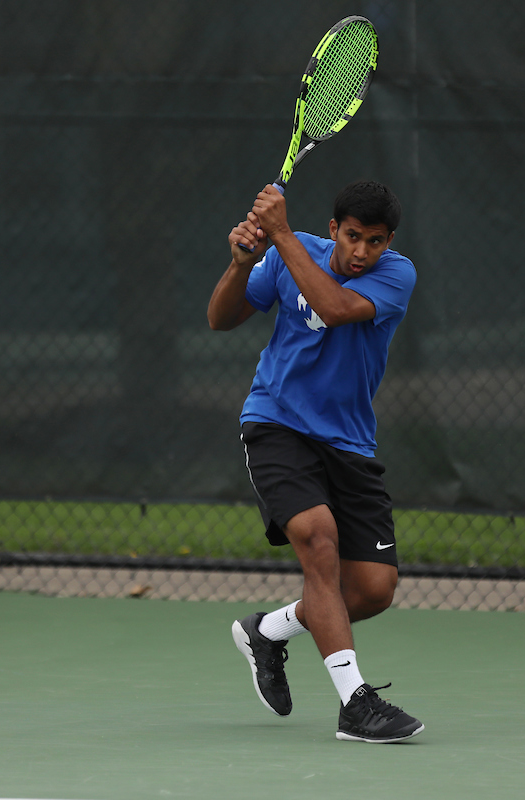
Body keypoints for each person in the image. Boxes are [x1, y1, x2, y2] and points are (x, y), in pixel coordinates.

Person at [207, 180, 423, 743]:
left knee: (373, 590)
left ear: (388, 242)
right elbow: (220, 318)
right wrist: (240, 263)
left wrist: (278, 234)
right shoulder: (285, 254)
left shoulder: (397, 276)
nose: (361, 252)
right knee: (317, 539)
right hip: (277, 424)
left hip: (349, 444)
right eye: (352, 237)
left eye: (374, 241)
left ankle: (269, 630)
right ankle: (356, 702)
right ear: (333, 230)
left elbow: (331, 308)